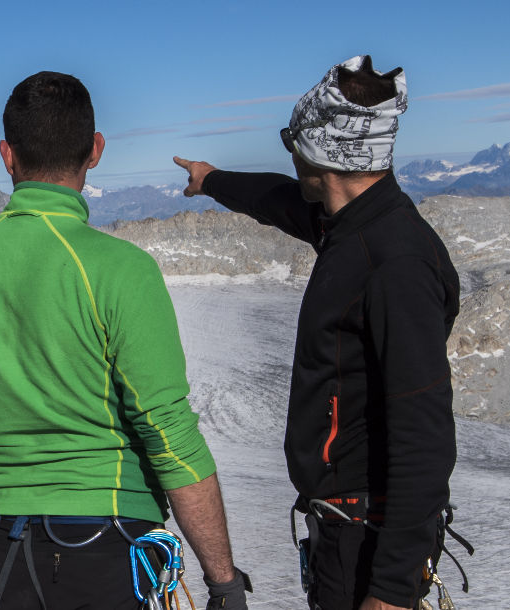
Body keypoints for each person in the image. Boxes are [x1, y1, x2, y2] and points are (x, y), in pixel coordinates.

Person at [0, 70, 250, 610]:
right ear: (95, 150)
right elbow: (167, 432)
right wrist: (224, 582)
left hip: (3, 548)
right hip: (112, 547)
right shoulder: (123, 270)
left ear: (7, 154)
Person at [173, 56, 460, 610]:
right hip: (343, 528)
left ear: (321, 152)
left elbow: (423, 434)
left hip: (366, 543)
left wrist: (393, 591)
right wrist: (212, 181)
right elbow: (280, 201)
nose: (288, 152)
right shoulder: (355, 226)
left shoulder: (394, 264)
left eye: (292, 140)